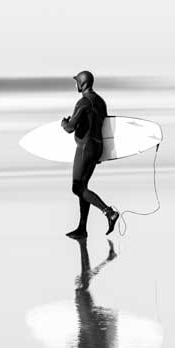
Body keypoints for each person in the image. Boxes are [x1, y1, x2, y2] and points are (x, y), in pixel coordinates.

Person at [61, 71, 119, 239]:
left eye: (77, 82)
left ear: (82, 83)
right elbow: (106, 127)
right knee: (83, 187)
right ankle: (82, 228)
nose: (76, 85)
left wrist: (64, 123)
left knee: (77, 187)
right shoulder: (101, 102)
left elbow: (70, 127)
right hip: (97, 147)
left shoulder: (83, 102)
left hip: (85, 147)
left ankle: (109, 212)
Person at [73, 238, 119, 348]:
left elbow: (85, 341)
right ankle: (106, 257)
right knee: (81, 287)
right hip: (89, 320)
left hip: (87, 320)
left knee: (80, 287)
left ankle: (106, 257)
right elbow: (101, 341)